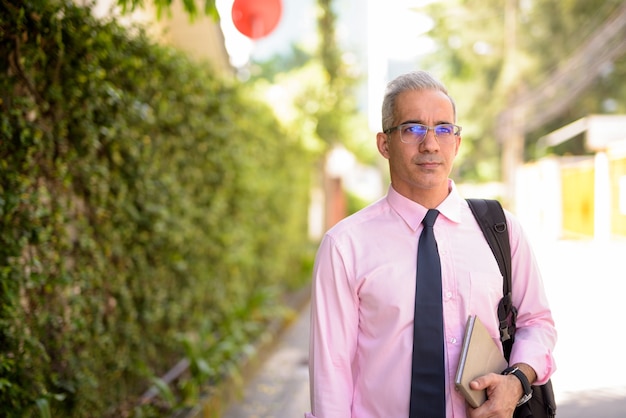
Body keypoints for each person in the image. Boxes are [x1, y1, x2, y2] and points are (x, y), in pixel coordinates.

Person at [306, 70, 556, 418]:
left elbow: (537, 324)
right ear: (384, 143)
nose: (430, 144)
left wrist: (516, 382)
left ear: (457, 142)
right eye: (412, 129)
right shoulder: (345, 246)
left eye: (443, 128)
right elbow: (331, 374)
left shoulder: (501, 230)